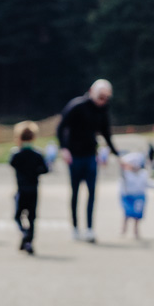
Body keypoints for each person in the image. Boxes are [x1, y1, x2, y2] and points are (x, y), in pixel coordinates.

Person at [57, 79, 119, 243]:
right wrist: (63, 149)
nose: (103, 101)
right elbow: (61, 127)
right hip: (74, 155)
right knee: (75, 192)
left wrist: (117, 154)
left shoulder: (103, 110)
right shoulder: (76, 106)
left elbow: (106, 133)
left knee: (92, 193)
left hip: (91, 155)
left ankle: (90, 228)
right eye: (100, 97)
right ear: (92, 91)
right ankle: (75, 227)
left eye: (106, 98)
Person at [8, 121, 48, 255]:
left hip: (21, 189)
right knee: (32, 218)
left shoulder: (16, 154)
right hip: (34, 189)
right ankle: (29, 240)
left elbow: (12, 164)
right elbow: (45, 169)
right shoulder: (37, 154)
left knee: (17, 216)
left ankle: (24, 233)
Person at [119, 151, 150, 239]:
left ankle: (136, 230)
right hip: (128, 196)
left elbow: (146, 183)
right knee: (127, 213)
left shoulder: (143, 173)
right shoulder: (126, 174)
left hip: (139, 196)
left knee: (137, 215)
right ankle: (124, 229)